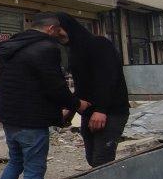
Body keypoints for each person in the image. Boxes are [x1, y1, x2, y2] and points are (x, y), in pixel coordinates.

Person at [0, 12, 85, 179]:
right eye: (59, 31)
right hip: (31, 120)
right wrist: (76, 103)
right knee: (34, 170)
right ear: (51, 29)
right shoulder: (46, 48)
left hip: (9, 117)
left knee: (15, 162)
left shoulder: (12, 45)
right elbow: (55, 86)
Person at [56, 13, 130, 167]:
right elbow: (82, 87)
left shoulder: (99, 44)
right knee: (92, 159)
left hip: (111, 112)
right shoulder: (74, 51)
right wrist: (71, 109)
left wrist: (101, 110)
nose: (57, 36)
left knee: (101, 162)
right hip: (90, 113)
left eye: (59, 30)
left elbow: (109, 78)